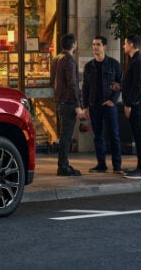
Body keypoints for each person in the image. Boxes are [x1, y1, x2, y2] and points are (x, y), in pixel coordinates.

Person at [81, 35, 122, 174]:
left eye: (98, 44)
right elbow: (85, 87)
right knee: (98, 136)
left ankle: (117, 165)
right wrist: (85, 106)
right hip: (94, 105)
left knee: (114, 135)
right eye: (93, 44)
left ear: (104, 46)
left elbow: (120, 84)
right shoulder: (89, 66)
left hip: (109, 106)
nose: (95, 47)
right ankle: (101, 164)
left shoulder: (114, 64)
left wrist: (113, 100)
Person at [51, 33, 83, 176]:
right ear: (74, 44)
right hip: (68, 103)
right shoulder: (69, 61)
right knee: (66, 136)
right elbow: (73, 84)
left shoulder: (56, 59)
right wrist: (78, 106)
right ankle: (63, 166)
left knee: (64, 134)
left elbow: (53, 80)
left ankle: (63, 164)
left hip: (59, 101)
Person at [120, 34, 141, 179]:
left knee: (139, 137)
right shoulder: (135, 61)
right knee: (138, 136)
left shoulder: (138, 61)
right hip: (135, 103)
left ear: (131, 44)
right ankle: (140, 167)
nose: (123, 46)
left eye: (125, 43)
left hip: (136, 105)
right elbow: (132, 84)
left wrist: (129, 104)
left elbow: (138, 85)